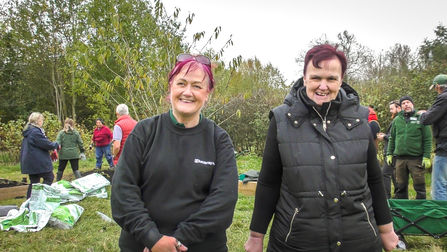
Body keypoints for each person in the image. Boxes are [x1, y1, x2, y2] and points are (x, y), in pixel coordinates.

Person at [244, 44, 398, 252]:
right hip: (296, 242)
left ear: (341, 80)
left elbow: (374, 179)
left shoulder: (360, 118)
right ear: (305, 78)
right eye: (316, 78)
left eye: (331, 79)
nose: (323, 86)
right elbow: (269, 182)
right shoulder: (281, 120)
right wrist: (256, 236)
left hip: (359, 241)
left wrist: (387, 230)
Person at [111, 53, 238, 252]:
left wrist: (177, 241)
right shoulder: (144, 132)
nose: (188, 92)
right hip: (142, 245)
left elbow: (223, 202)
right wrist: (151, 238)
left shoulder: (218, 140)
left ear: (207, 93)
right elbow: (123, 192)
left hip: (200, 246)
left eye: (197, 86)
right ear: (170, 87)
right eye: (181, 83)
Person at [386, 96, 432, 199]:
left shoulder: (421, 118)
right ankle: (401, 209)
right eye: (403, 103)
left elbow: (427, 139)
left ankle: (420, 208)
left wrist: (426, 156)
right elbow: (392, 138)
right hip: (400, 159)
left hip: (416, 158)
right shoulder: (397, 120)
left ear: (412, 104)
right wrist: (389, 153)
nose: (406, 104)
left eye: (408, 102)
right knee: (400, 186)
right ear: (401, 107)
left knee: (419, 186)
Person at [419, 74, 447, 200]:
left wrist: (423, 114)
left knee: (439, 186)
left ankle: (441, 218)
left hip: (444, 147)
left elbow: (427, 119)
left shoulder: (444, 97)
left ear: (437, 86)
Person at [20, 112, 60, 198]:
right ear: (38, 121)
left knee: (34, 182)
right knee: (49, 177)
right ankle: (41, 196)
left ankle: (30, 201)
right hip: (36, 160)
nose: (42, 122)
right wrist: (56, 145)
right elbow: (45, 144)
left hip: (30, 160)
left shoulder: (28, 131)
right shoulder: (35, 132)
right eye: (42, 120)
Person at [377, 100, 401, 199]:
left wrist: (385, 137)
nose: (390, 111)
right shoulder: (396, 119)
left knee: (385, 173)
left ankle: (387, 196)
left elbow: (396, 136)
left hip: (393, 152)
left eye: (392, 108)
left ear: (398, 108)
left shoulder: (399, 120)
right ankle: (398, 196)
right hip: (392, 152)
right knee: (394, 175)